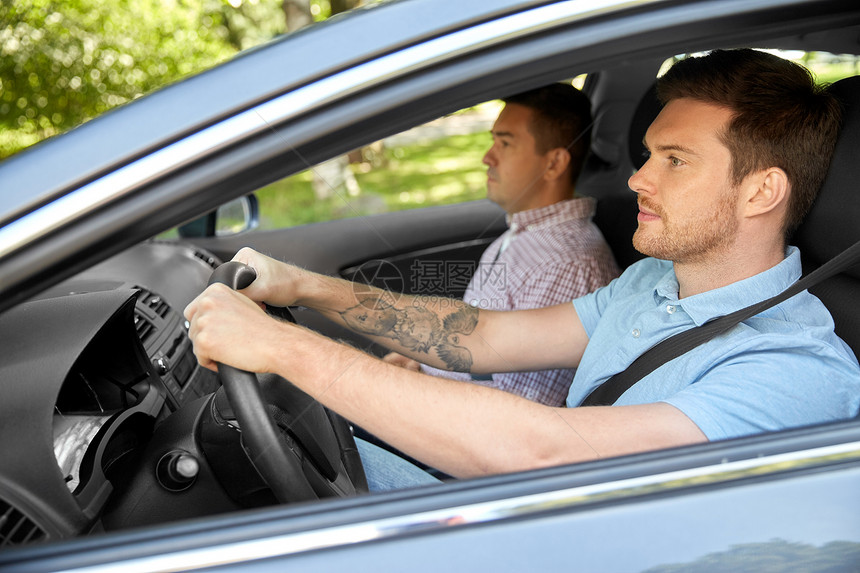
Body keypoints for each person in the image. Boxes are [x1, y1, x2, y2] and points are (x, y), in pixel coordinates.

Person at [185, 49, 860, 492]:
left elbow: (550, 453)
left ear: (760, 192)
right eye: (648, 154)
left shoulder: (797, 368)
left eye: (674, 160)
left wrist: (281, 346)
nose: (637, 177)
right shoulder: (654, 282)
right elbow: (480, 336)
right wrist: (302, 288)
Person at [384, 84, 619, 407]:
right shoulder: (525, 233)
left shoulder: (566, 263)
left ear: (554, 164)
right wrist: (421, 362)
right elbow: (480, 343)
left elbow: (517, 406)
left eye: (505, 143)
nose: (486, 157)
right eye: (493, 140)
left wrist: (414, 385)